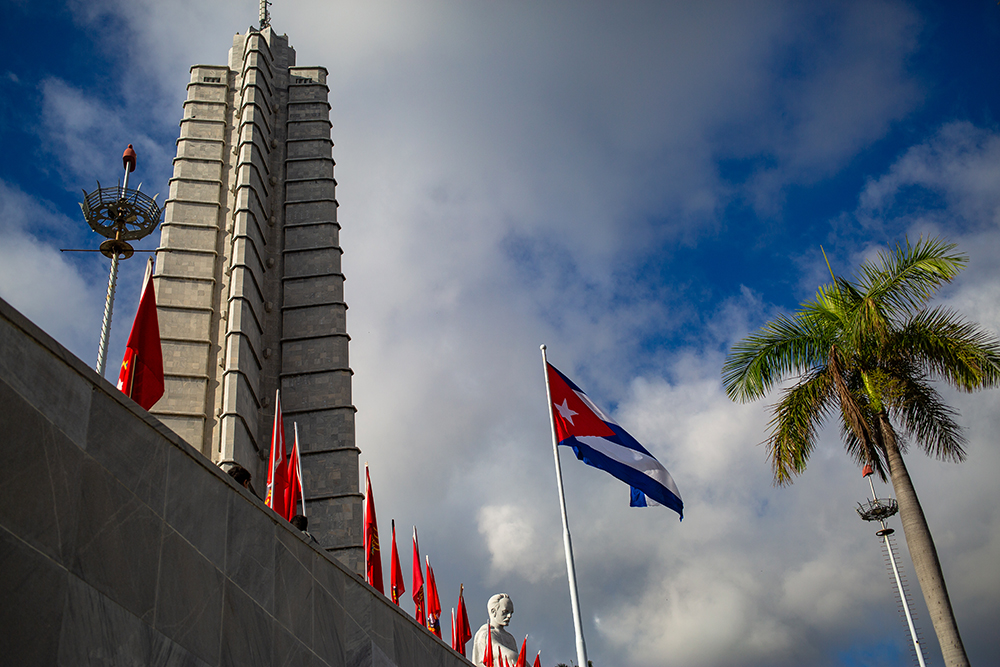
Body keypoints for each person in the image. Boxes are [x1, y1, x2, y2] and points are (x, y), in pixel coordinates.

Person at [472, 593, 519, 665]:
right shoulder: (485, 633)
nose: (509, 616)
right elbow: (502, 653)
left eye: (511, 613)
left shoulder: (510, 638)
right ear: (493, 611)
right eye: (505, 612)